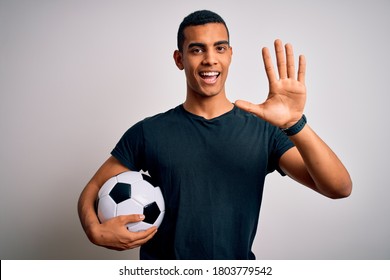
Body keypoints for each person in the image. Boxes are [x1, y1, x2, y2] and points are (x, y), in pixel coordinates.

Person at [77, 10, 352, 260]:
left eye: (219, 48)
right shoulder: (149, 132)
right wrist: (94, 230)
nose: (210, 59)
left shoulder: (263, 131)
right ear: (179, 59)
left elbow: (339, 188)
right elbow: (91, 190)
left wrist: (295, 123)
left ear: (230, 54)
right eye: (197, 49)